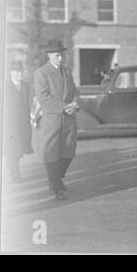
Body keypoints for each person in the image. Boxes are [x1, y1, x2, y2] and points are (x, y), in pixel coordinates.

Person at [34, 40, 80, 200]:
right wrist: (63, 107)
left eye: (62, 55)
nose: (61, 59)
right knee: (51, 154)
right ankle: (55, 187)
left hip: (68, 119)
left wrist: (74, 103)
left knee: (68, 152)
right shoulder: (41, 73)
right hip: (52, 118)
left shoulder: (66, 71)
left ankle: (57, 180)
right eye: (57, 56)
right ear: (49, 56)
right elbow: (43, 96)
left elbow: (74, 90)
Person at [3, 60, 34, 183]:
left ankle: (11, 167)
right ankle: (15, 176)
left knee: (20, 151)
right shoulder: (5, 86)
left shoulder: (25, 86)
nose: (19, 74)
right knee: (13, 151)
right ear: (11, 73)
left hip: (23, 124)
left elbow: (28, 103)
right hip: (9, 125)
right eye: (17, 72)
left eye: (21, 72)